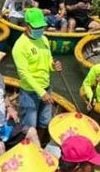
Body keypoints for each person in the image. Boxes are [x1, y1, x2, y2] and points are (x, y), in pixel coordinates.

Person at [12, 8, 62, 139]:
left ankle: (38, 146)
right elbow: (24, 73)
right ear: (27, 26)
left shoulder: (44, 39)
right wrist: (41, 93)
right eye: (37, 27)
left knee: (44, 122)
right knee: (29, 128)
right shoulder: (20, 46)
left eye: (42, 27)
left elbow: (48, 60)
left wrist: (53, 66)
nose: (40, 29)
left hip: (46, 87)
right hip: (30, 92)